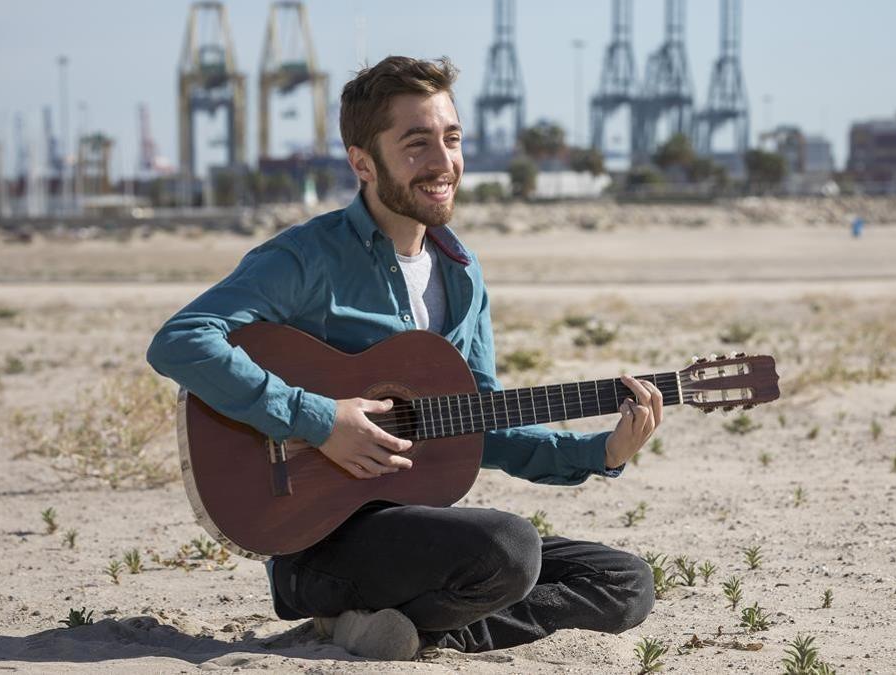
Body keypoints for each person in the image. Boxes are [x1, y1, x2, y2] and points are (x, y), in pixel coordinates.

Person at [146, 55, 659, 661]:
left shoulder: (462, 275)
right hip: (318, 541)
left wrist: (598, 452)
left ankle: (405, 630)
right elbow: (181, 340)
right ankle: (379, 618)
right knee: (509, 546)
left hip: (420, 529)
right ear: (362, 162)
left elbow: (477, 422)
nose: (444, 163)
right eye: (417, 144)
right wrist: (319, 420)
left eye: (452, 138)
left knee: (624, 581)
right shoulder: (307, 257)